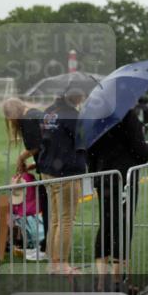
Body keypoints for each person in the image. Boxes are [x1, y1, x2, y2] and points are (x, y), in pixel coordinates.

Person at [87, 108, 148, 285]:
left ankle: (102, 279)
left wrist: (94, 174)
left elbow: (89, 150)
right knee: (123, 224)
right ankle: (119, 278)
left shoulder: (96, 116)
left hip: (103, 176)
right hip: (124, 176)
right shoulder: (127, 115)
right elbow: (139, 148)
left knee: (107, 223)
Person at [39, 90, 87, 275]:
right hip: (66, 171)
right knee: (66, 219)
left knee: (55, 219)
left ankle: (53, 263)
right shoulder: (73, 115)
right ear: (75, 97)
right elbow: (83, 141)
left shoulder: (50, 111)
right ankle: (61, 264)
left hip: (48, 169)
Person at [2, 98, 50, 260]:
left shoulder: (28, 119)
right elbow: (46, 146)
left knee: (50, 210)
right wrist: (33, 166)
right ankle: (49, 247)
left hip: (51, 172)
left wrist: (21, 159)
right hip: (54, 166)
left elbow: (34, 147)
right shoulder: (36, 113)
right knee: (51, 210)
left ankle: (47, 249)